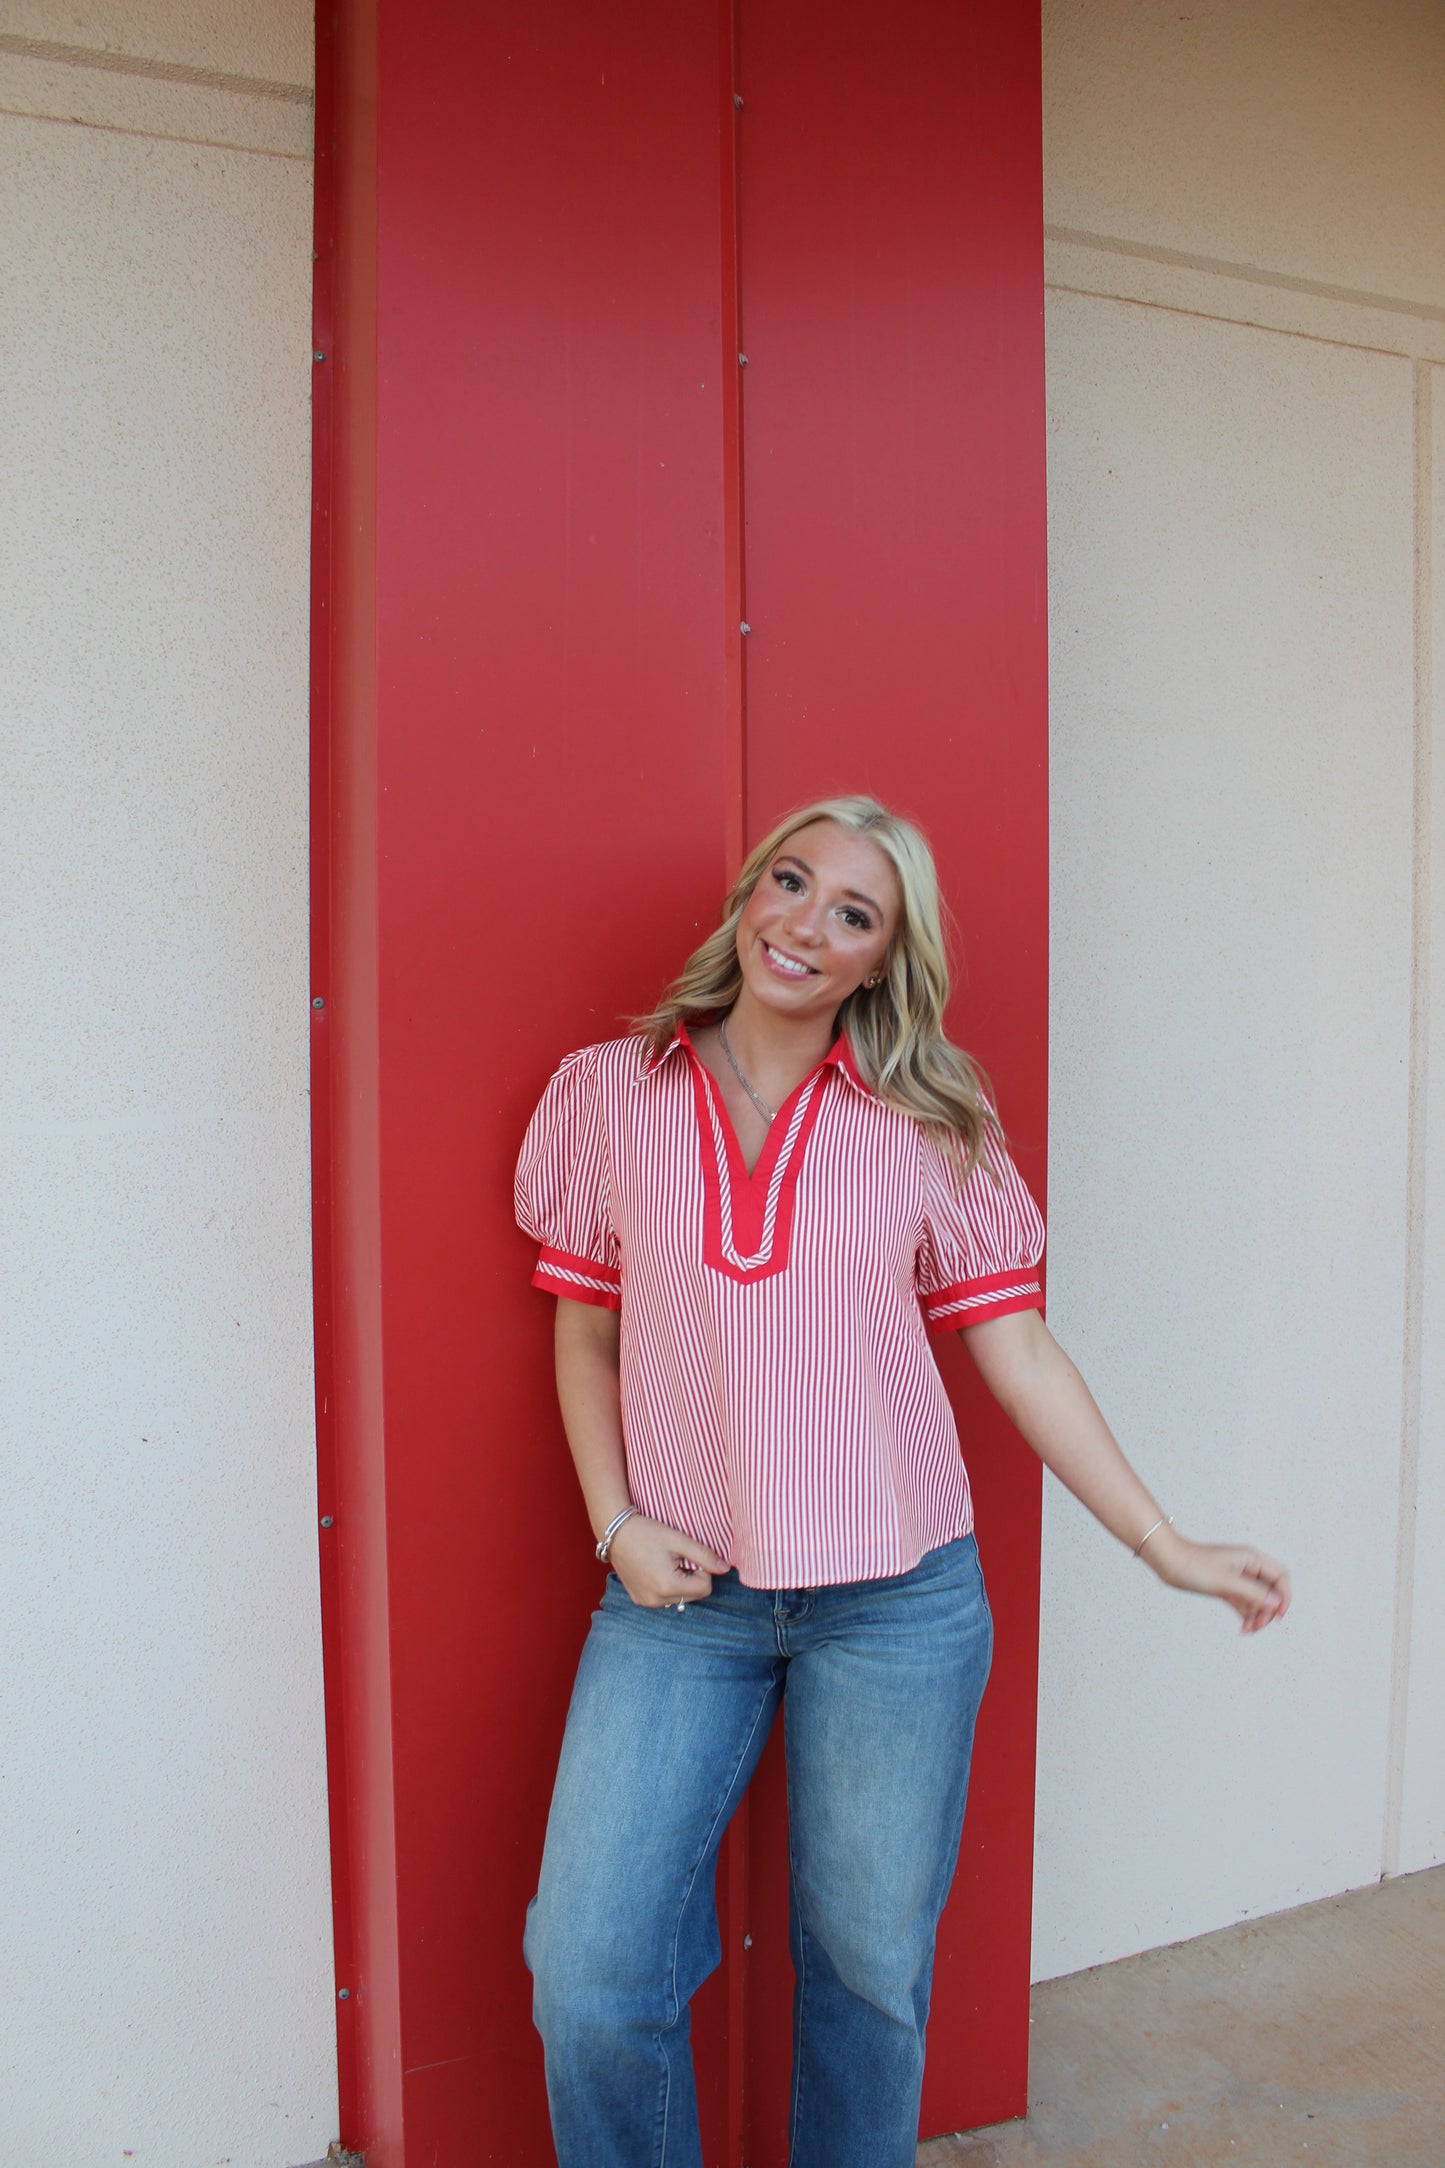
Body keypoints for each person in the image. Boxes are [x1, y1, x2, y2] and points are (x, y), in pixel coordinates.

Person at [514, 794, 1290, 2168]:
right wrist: (614, 1522)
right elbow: (584, 1328)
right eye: (790, 883)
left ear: (885, 958)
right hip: (678, 1597)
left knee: (868, 1975)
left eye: (852, 913)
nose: (805, 925)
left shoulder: (927, 1119)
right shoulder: (611, 1094)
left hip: (898, 1606)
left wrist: (1162, 1544)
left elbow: (1022, 1354)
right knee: (585, 1967)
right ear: (748, 897)